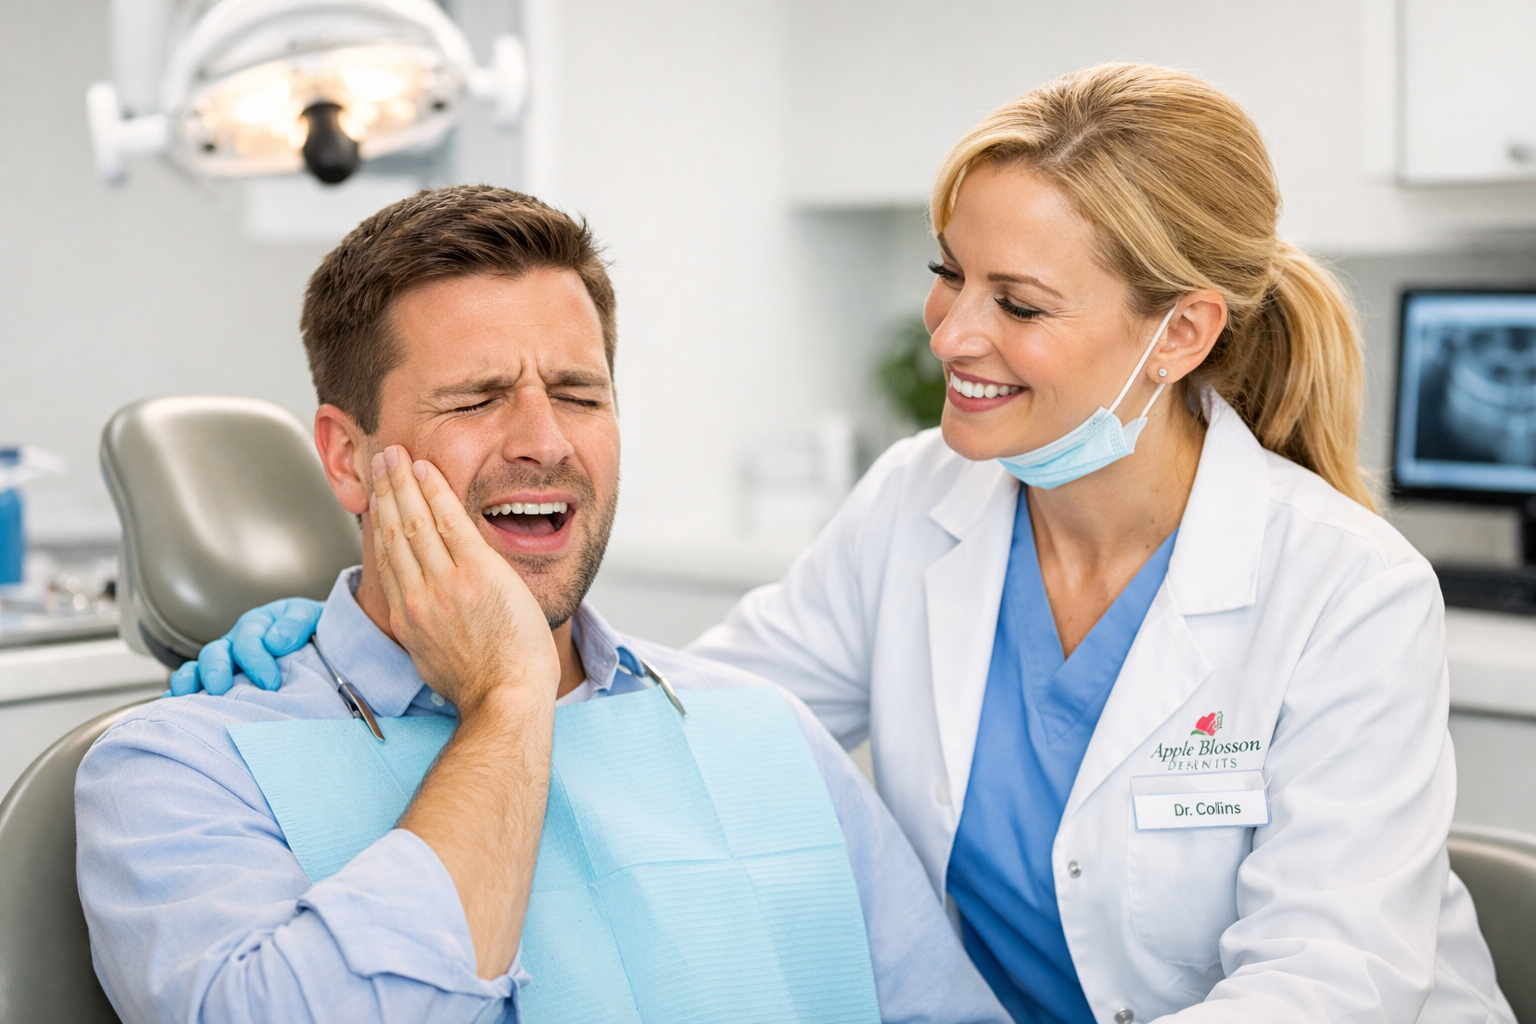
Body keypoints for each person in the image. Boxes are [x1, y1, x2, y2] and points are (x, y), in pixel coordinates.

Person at [180, 65, 1514, 1023]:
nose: (951, 334)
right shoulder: (920, 502)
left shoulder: (1344, 590)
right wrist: (366, 648)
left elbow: (1326, 983)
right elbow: (679, 721)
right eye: (949, 273)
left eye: (1019, 302)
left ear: (1179, 336)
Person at [75, 186, 1008, 1024]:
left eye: (578, 393)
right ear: (347, 456)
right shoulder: (176, 775)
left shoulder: (767, 732)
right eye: (478, 398)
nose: (544, 441)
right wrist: (508, 700)